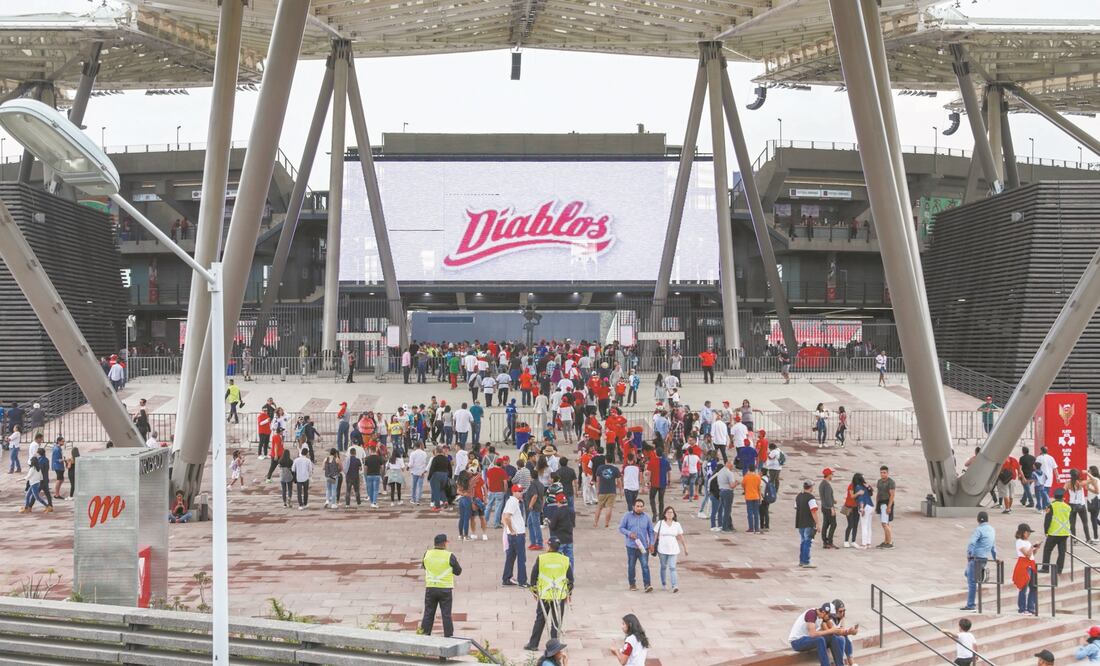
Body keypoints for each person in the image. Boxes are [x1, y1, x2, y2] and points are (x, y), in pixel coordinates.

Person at [523, 537, 574, 652]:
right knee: (556, 621)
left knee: (540, 619)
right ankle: (554, 646)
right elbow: (570, 580)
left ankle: (533, 644)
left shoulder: (541, 558)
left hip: (545, 594)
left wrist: (534, 591)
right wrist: (568, 593)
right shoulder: (565, 560)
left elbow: (533, 576)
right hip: (559, 595)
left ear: (549, 546)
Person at [420, 533, 462, 637]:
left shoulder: (427, 554)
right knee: (446, 615)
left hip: (431, 588)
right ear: (444, 543)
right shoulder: (449, 556)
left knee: (428, 613)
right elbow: (458, 571)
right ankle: (448, 636)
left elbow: (424, 566)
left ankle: (424, 635)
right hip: (445, 589)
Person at [961, 511, 997, 611]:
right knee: (967, 573)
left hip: (975, 558)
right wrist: (995, 558)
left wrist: (969, 554)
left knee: (972, 582)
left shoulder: (979, 529)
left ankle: (971, 604)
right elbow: (993, 546)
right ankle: (977, 576)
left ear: (978, 520)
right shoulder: (992, 530)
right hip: (984, 558)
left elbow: (972, 543)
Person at [618, 498, 654, 592]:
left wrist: (651, 543)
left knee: (645, 565)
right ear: (633, 507)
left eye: (641, 506)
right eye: (637, 506)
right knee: (631, 566)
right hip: (631, 546)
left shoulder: (647, 517)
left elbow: (650, 531)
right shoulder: (627, 516)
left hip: (643, 546)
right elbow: (621, 528)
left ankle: (647, 585)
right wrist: (629, 533)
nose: (639, 508)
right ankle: (632, 584)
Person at [502, 484, 529, 587]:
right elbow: (507, 517)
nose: (521, 493)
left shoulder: (511, 501)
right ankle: (522, 581)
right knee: (521, 558)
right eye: (518, 491)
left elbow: (504, 517)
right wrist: (512, 530)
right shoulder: (513, 502)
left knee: (511, 557)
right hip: (517, 535)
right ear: (513, 492)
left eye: (521, 491)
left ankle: (507, 577)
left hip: (513, 535)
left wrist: (508, 529)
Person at [655, 506, 687, 592]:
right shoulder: (660, 523)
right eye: (668, 512)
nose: (670, 514)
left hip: (673, 549)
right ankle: (664, 583)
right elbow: (655, 535)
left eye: (671, 512)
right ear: (665, 514)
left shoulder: (677, 524)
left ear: (674, 514)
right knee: (663, 566)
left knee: (672, 567)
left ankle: (674, 585)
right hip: (662, 549)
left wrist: (685, 548)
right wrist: (651, 545)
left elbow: (681, 537)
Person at [1042, 488, 1072, 576]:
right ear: (1063, 497)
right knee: (1062, 552)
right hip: (1065, 533)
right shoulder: (1068, 507)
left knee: (1047, 550)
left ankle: (1045, 568)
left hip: (1054, 533)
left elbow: (1047, 520)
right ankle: (1059, 569)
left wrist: (1046, 531)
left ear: (1054, 497)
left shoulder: (1051, 506)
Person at [1013, 523, 1040, 615]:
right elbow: (1027, 554)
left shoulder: (1027, 542)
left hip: (1031, 564)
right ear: (1024, 533)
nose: (1029, 534)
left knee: (1033, 587)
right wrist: (1032, 547)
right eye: (1028, 532)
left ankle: (1030, 608)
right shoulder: (1019, 542)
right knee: (1023, 587)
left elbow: (1032, 554)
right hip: (1024, 565)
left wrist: (1036, 548)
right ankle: (1022, 609)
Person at [795, 480, 821, 568]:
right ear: (810, 487)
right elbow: (814, 511)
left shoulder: (799, 496)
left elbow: (796, 507)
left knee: (803, 541)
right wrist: (817, 524)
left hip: (800, 522)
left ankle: (802, 560)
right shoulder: (811, 498)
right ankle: (806, 561)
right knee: (807, 542)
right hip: (808, 522)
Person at [593, 457, 621, 528]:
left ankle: (596, 523)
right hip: (612, 491)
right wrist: (620, 490)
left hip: (602, 490)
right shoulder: (615, 469)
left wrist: (597, 490)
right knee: (609, 507)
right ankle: (606, 523)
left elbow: (597, 480)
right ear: (612, 461)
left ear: (605, 460)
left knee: (599, 507)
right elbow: (619, 481)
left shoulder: (600, 468)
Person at [876, 465, 896, 548]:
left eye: (884, 473)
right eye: (881, 473)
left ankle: (890, 542)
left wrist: (889, 507)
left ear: (887, 473)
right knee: (885, 523)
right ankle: (886, 541)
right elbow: (878, 493)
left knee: (884, 523)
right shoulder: (879, 481)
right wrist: (876, 504)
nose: (882, 474)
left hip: (886, 503)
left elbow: (892, 495)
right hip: (880, 503)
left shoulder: (891, 482)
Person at [819, 468, 837, 549]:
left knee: (825, 524)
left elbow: (827, 497)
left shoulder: (822, 484)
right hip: (828, 507)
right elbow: (827, 498)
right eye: (832, 474)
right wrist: (832, 508)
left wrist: (833, 500)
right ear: (829, 475)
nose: (832, 476)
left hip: (824, 506)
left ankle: (825, 541)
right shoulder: (827, 485)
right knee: (833, 524)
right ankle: (829, 541)